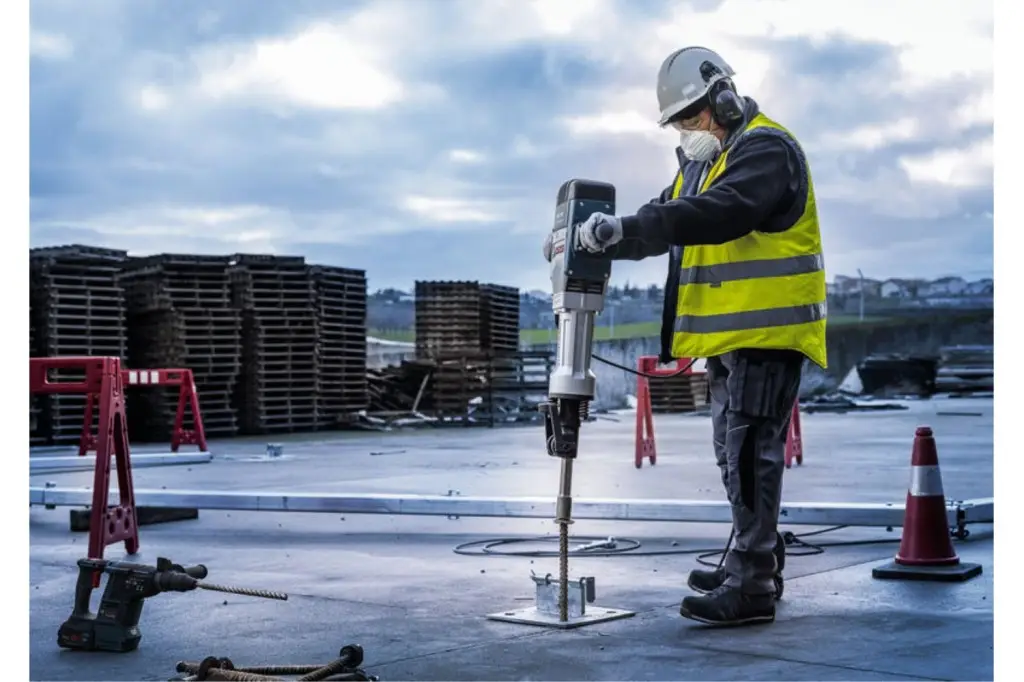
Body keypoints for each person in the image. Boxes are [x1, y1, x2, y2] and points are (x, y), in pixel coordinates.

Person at [543, 46, 827, 627]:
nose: (685, 130)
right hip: (729, 340)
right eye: (678, 122)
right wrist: (602, 238)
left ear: (722, 98)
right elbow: (665, 214)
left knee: (749, 455)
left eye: (691, 117)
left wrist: (628, 227)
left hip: (767, 334)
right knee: (732, 452)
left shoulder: (767, 149)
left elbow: (719, 213)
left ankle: (750, 587)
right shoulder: (705, 161)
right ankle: (752, 561)